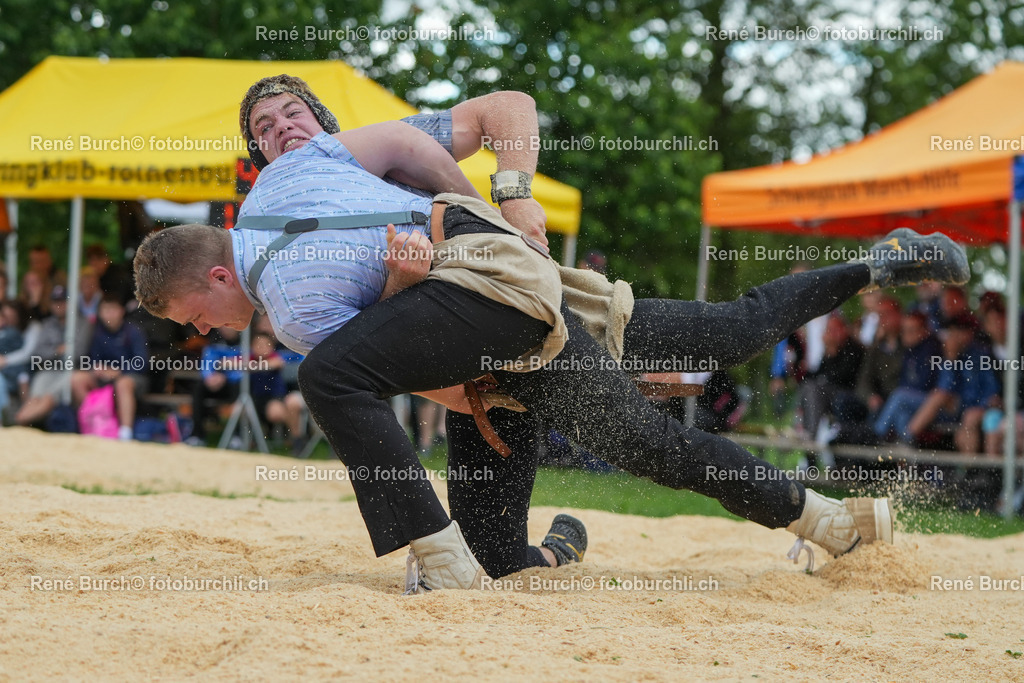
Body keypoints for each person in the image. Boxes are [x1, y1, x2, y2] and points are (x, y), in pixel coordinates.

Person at [134, 76, 970, 591]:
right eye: (263, 128)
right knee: (507, 551)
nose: (279, 130)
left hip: (516, 297)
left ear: (320, 121)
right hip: (476, 349)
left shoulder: (346, 156)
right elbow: (392, 352)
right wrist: (413, 299)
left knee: (710, 353)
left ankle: (873, 277)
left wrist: (515, 190)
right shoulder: (291, 233)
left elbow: (506, 106)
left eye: (289, 114)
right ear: (256, 159)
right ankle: (557, 549)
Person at [71, 293, 148, 441]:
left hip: (131, 378)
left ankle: (125, 433)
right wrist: (98, 369)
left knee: (123, 384)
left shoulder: (134, 331)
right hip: (103, 378)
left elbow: (142, 363)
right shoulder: (96, 332)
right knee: (77, 379)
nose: (109, 314)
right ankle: (95, 421)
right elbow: (91, 359)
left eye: (113, 309)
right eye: (105, 310)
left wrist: (119, 372)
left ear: (121, 311)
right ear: (99, 312)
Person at [13, 285, 92, 427]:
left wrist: (56, 352)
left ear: (70, 303)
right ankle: (19, 424)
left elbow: (79, 353)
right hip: (49, 370)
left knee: (49, 398)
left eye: (63, 301)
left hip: (73, 371)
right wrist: (57, 351)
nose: (59, 305)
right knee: (35, 397)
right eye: (56, 302)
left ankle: (19, 422)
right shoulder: (48, 324)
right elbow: (37, 354)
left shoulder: (83, 323)